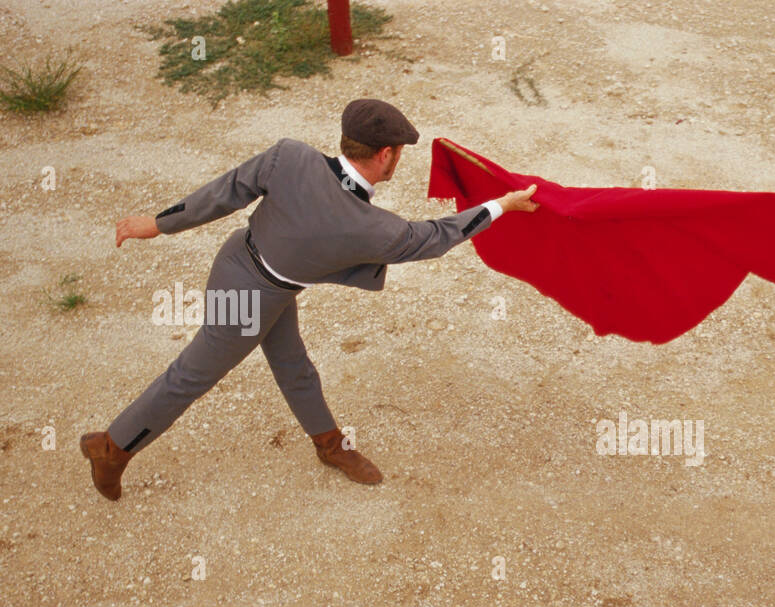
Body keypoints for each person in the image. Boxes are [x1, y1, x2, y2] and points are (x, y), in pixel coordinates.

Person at [81, 98, 539, 500]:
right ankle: (112, 448)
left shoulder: (290, 156)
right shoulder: (375, 228)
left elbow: (224, 194)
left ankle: (329, 445)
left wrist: (160, 222)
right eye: (399, 152)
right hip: (248, 299)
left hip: (243, 264)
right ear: (386, 155)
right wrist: (504, 205)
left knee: (294, 366)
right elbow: (437, 236)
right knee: (191, 377)